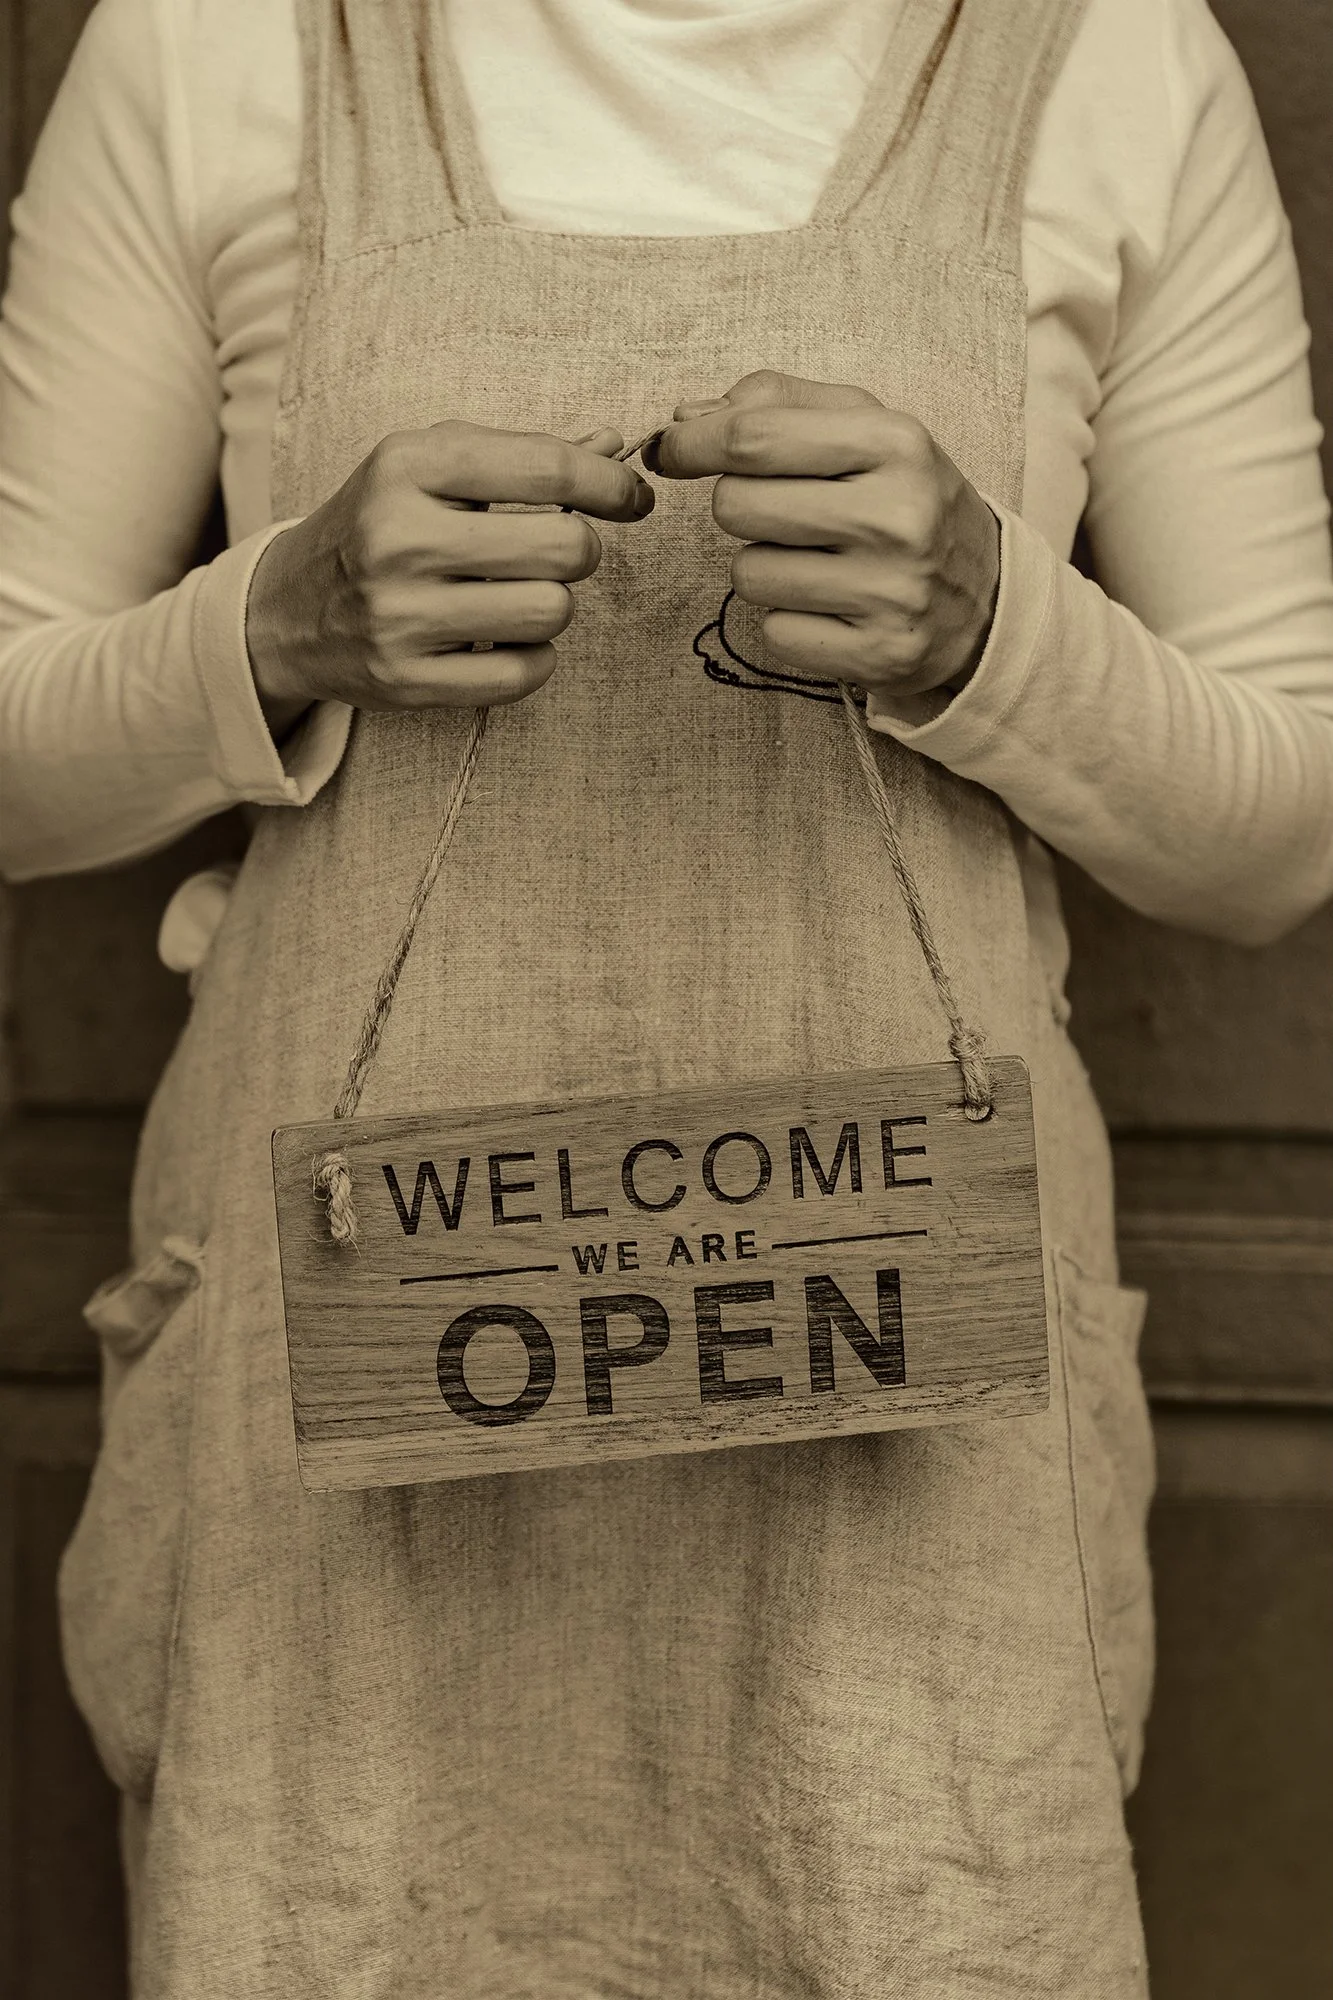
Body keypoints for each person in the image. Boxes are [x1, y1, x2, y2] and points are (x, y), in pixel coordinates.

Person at [2, 0, 1331, 1991]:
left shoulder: (1110, 59)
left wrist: (998, 633)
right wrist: (271, 617)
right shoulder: (221, 42)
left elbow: (1279, 836)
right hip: (357, 1406)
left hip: (900, 1423)